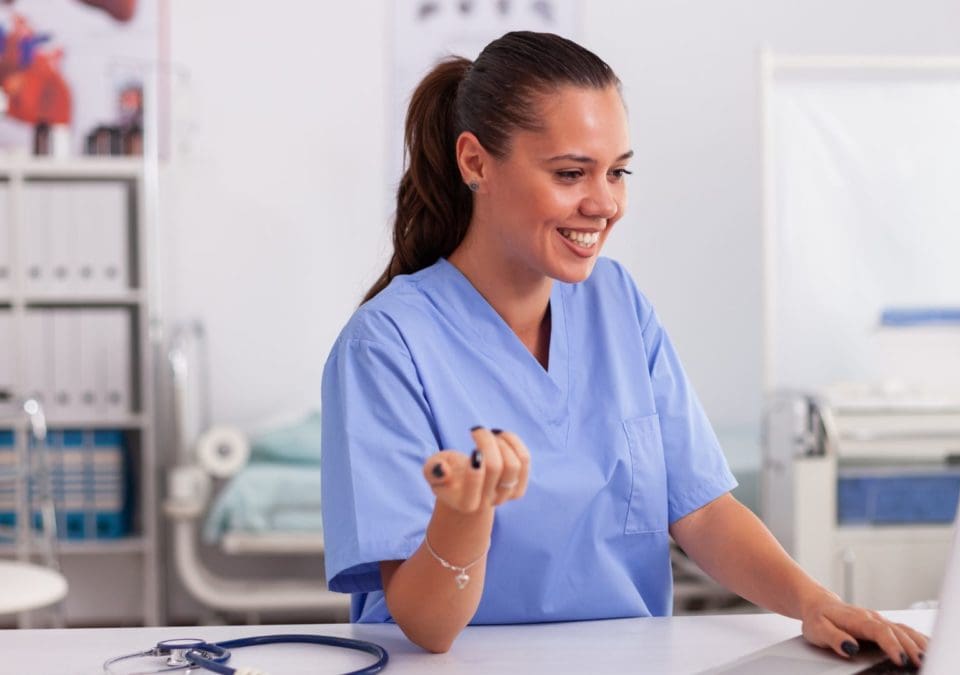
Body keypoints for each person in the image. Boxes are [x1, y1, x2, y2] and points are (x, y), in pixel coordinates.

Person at [321, 31, 928, 665]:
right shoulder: (385, 345)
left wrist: (812, 601)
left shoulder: (616, 301)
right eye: (570, 174)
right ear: (475, 163)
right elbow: (427, 625)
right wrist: (464, 518)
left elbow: (702, 512)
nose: (605, 204)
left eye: (617, 172)